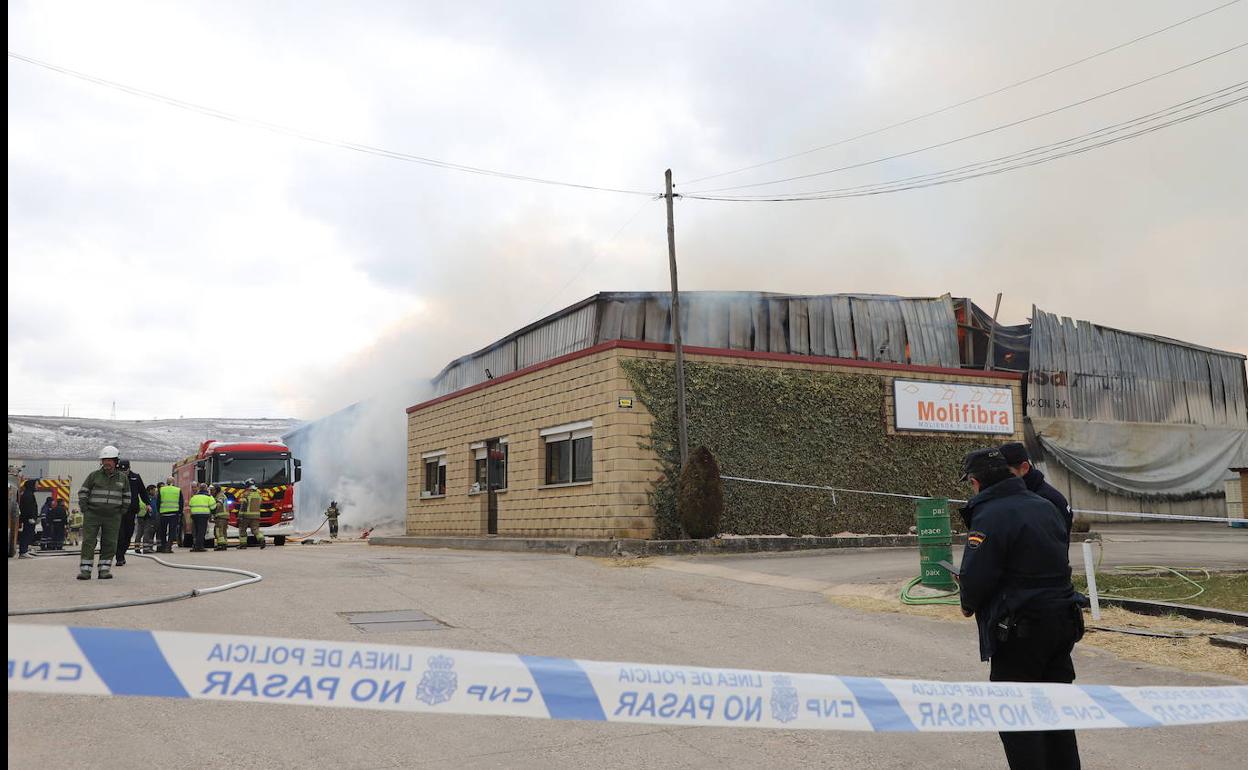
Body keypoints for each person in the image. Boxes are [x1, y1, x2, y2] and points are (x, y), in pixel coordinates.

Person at [957, 447, 1083, 769]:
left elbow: (976, 577)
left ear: (975, 482)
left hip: (1020, 630)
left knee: (1017, 717)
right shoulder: (1045, 505)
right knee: (1057, 715)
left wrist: (968, 603)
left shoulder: (991, 514)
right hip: (1062, 621)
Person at [999, 442, 1073, 543]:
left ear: (1024, 468)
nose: (1000, 478)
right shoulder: (1023, 494)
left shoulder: (1046, 500)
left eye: (1006, 472)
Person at [77, 446, 131, 579]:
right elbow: (83, 492)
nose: (107, 463)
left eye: (110, 460)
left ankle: (104, 570)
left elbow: (127, 496)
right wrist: (85, 508)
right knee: (89, 542)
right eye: (104, 460)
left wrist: (122, 510)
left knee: (110, 543)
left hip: (113, 516)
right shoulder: (93, 476)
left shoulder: (122, 478)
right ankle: (85, 571)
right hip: (92, 515)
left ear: (115, 462)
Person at [114, 459, 151, 566]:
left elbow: (143, 492)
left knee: (128, 534)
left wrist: (147, 504)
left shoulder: (135, 477)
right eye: (121, 470)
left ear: (129, 468)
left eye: (125, 470)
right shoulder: (114, 477)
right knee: (120, 534)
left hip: (131, 510)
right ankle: (119, 557)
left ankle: (122, 553)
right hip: (118, 510)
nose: (123, 472)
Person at [156, 477, 184, 554]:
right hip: (174, 513)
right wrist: (180, 512)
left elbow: (158, 502)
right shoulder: (177, 490)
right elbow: (181, 502)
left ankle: (164, 547)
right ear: (173, 482)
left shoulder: (162, 490)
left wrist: (159, 511)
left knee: (163, 531)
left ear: (167, 482)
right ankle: (169, 547)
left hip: (163, 513)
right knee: (172, 531)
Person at [187, 483, 215, 552]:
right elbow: (213, 507)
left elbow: (190, 504)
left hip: (194, 516)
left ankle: (195, 546)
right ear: (206, 489)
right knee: (201, 532)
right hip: (203, 516)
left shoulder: (194, 496)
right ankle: (199, 547)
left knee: (196, 531)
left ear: (199, 489)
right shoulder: (209, 497)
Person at [237, 481, 264, 549]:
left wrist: (240, 516)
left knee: (242, 529)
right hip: (256, 515)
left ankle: (243, 545)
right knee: (255, 529)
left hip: (246, 516)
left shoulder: (246, 494)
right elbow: (260, 504)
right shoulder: (259, 494)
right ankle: (261, 539)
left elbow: (243, 506)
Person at [18, 479, 39, 558]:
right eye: (36, 485)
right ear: (31, 485)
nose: (37, 486)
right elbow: (27, 507)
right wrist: (30, 517)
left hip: (30, 519)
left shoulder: (29, 494)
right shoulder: (28, 495)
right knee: (26, 534)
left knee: (29, 534)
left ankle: (24, 550)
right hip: (28, 519)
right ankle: (23, 551)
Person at [135, 484, 159, 553]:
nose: (155, 492)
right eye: (154, 490)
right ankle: (146, 549)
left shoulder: (141, 496)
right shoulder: (147, 498)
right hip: (146, 516)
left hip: (140, 516)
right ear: (151, 490)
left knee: (139, 533)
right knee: (147, 533)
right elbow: (150, 507)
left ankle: (137, 548)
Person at [212, 484, 231, 551]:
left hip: (220, 517)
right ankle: (224, 544)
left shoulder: (220, 496)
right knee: (223, 531)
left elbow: (219, 504)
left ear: (217, 490)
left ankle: (221, 545)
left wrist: (212, 509)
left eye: (213, 490)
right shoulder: (221, 495)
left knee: (218, 531)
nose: (212, 491)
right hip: (224, 517)